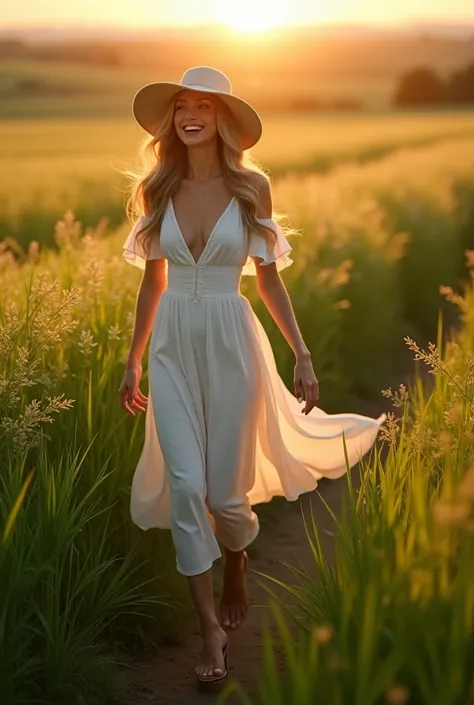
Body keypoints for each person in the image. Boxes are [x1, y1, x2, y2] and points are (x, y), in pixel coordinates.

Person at [119, 66, 386, 683]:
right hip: (173, 345)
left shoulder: (251, 187)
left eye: (203, 107)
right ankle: (210, 635)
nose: (190, 114)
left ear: (222, 120)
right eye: (181, 105)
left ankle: (236, 556)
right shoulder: (156, 188)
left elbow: (267, 276)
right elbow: (151, 280)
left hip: (235, 343)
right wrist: (133, 358)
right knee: (187, 487)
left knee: (223, 495)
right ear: (170, 119)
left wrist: (303, 354)